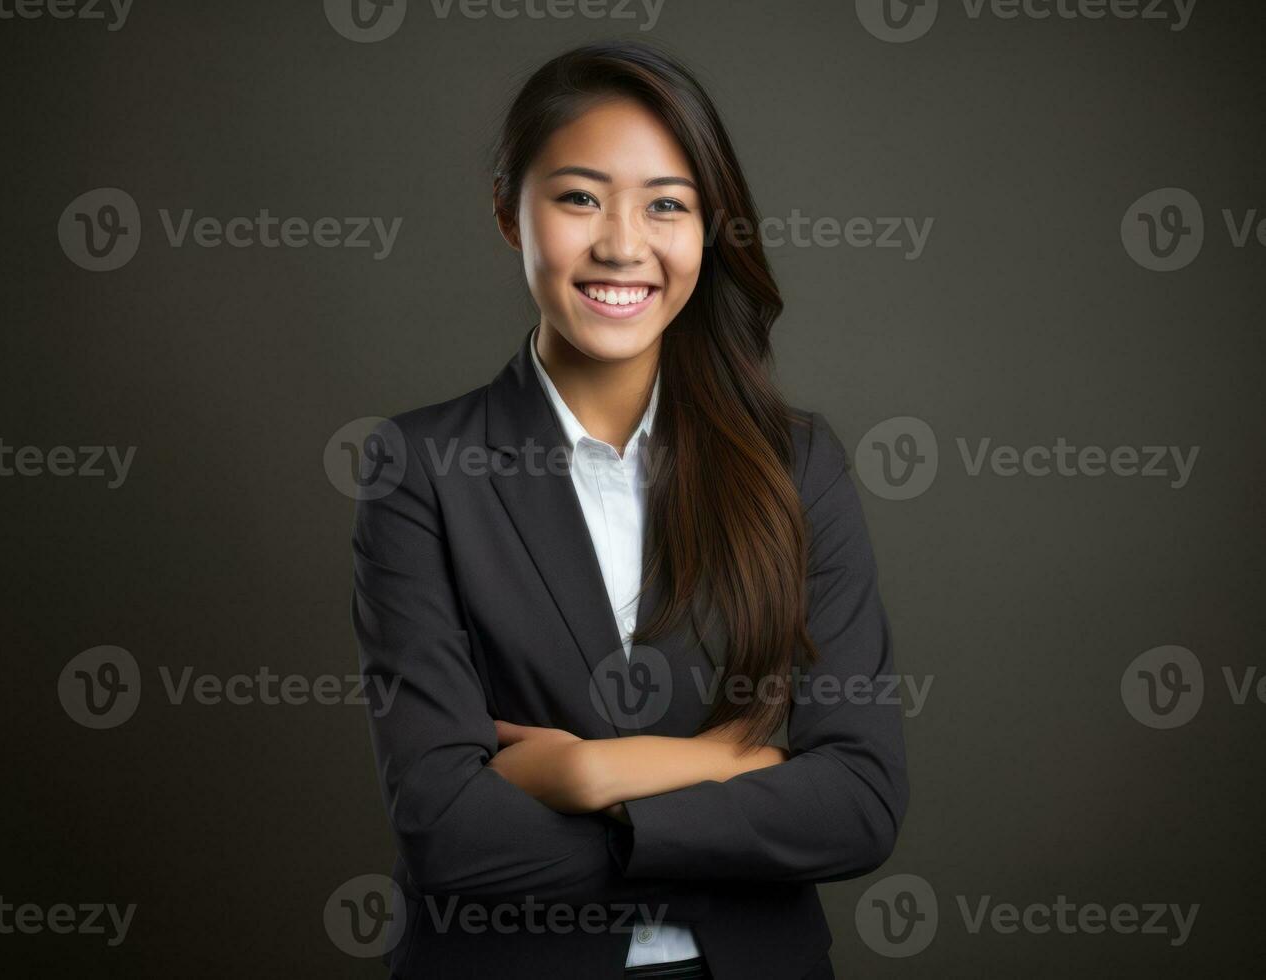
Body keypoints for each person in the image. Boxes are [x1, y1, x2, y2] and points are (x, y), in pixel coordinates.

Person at [351, 38, 909, 980]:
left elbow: (856, 800)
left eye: (667, 204)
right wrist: (734, 768)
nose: (621, 243)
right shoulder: (420, 467)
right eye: (578, 197)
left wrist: (587, 776)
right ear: (505, 211)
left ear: (708, 228)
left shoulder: (795, 464)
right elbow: (448, 832)